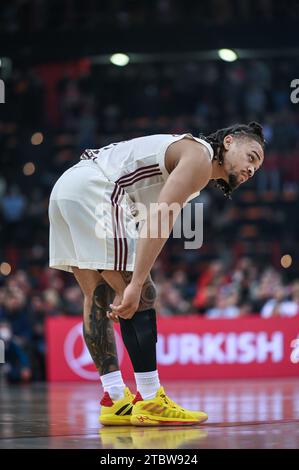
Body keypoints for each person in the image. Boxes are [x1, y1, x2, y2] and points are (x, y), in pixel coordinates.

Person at [48, 122, 265, 426]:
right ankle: (150, 399)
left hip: (67, 189)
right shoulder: (200, 157)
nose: (252, 169)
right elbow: (160, 219)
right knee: (143, 294)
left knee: (97, 296)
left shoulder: (190, 159)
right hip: (96, 189)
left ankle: (115, 398)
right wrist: (136, 283)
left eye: (257, 166)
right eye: (251, 157)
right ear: (228, 142)